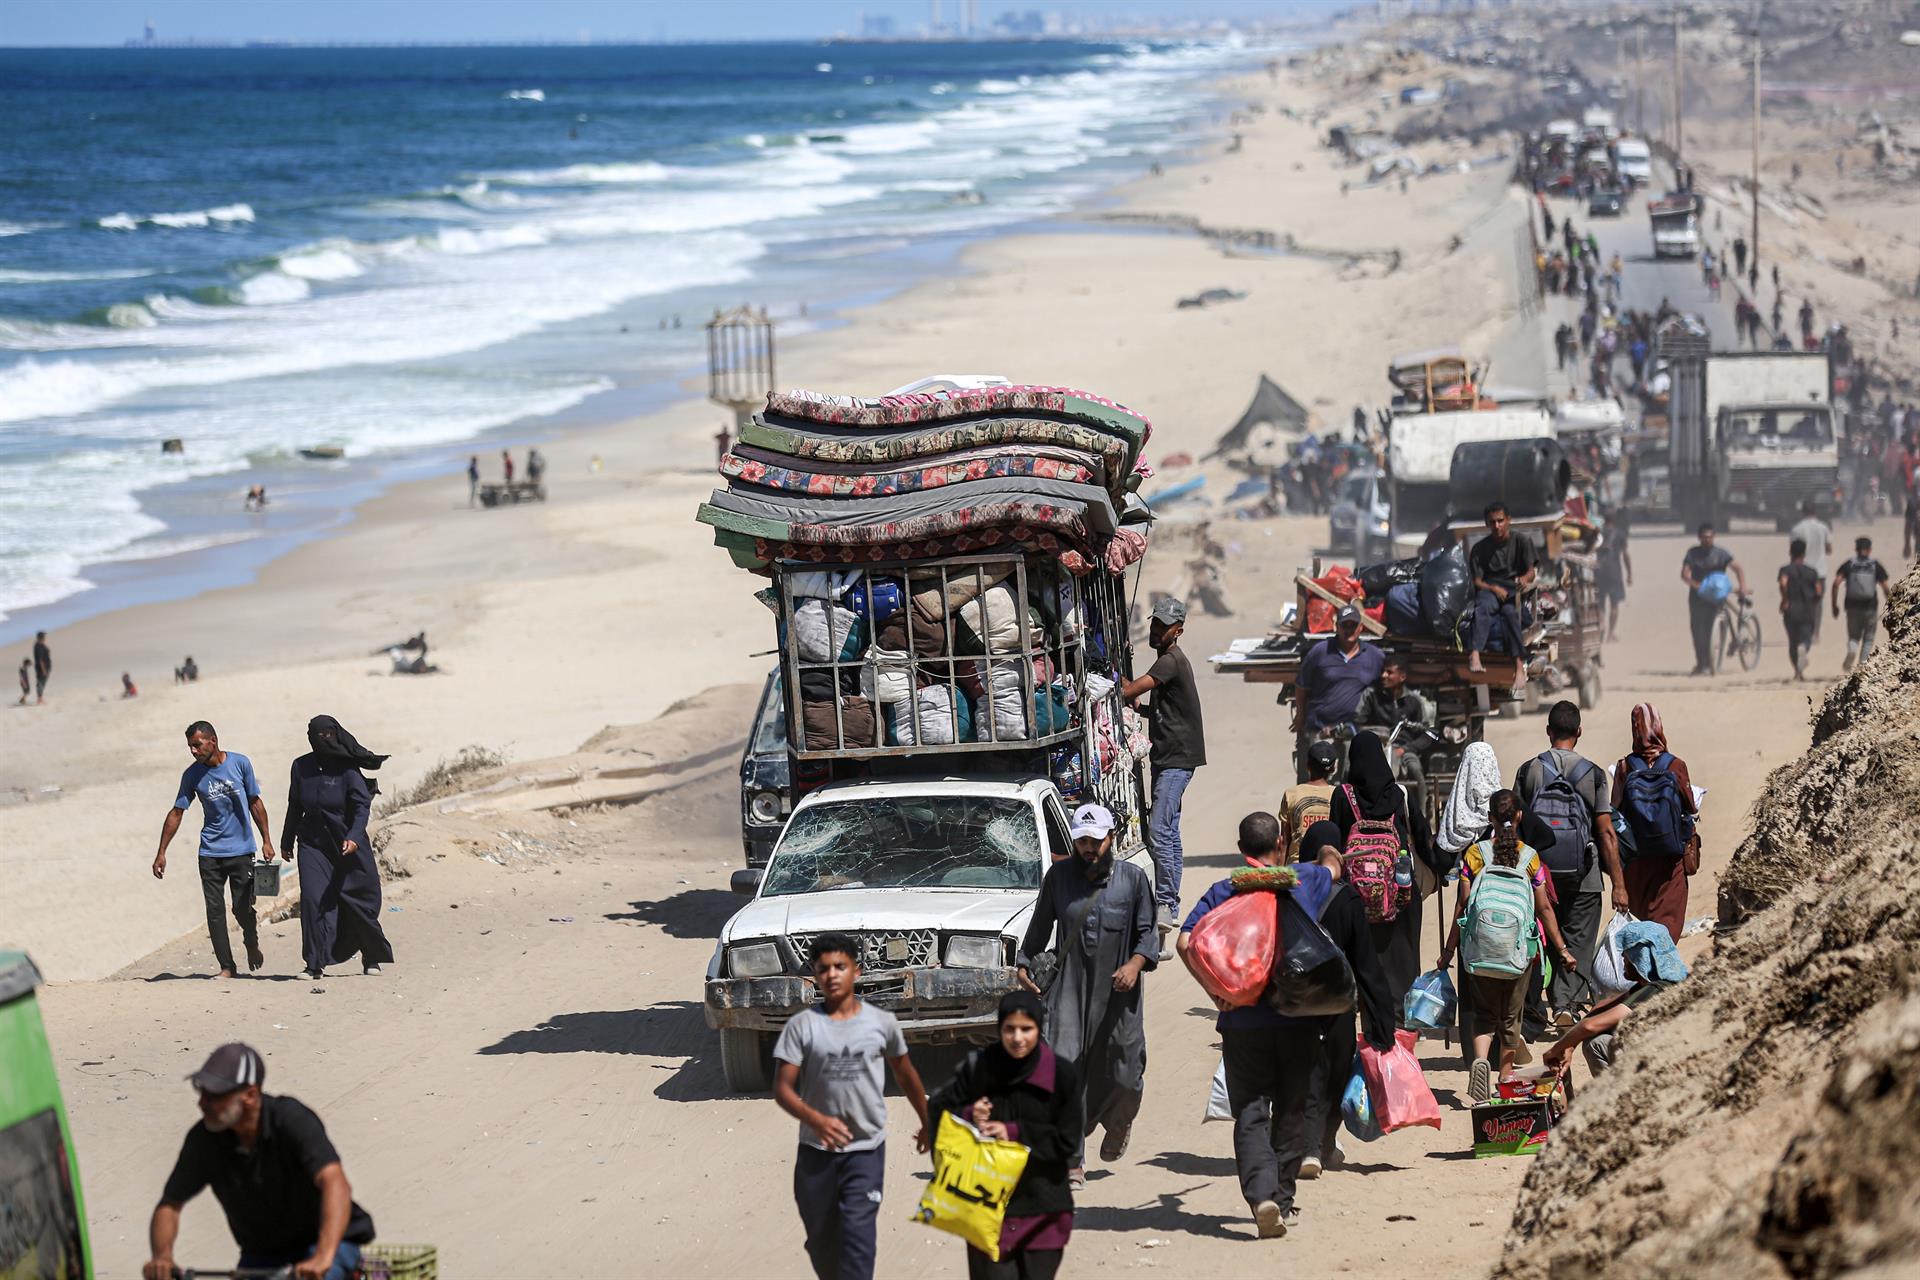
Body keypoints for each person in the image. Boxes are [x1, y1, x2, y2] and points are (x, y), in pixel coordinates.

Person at [1176, 813, 1392, 1240]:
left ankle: (1261, 1197)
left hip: (1240, 1022)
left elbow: (1185, 941)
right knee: (1293, 1106)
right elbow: (1333, 863)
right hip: (1296, 1018)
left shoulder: (1224, 890)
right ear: (1280, 842)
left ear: (1241, 847)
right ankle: (1283, 1196)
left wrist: (1216, 993)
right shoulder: (1300, 879)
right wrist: (1328, 849)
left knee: (1251, 1111)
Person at [144, 1043, 375, 1280]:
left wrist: (324, 1257)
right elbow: (170, 1205)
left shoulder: (290, 1120)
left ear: (250, 1095)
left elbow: (335, 1182)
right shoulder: (204, 1139)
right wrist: (162, 1257)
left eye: (214, 1095)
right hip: (262, 1254)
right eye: (201, 1092)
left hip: (323, 1243)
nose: (202, 1103)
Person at [773, 933, 930, 1280]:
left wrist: (927, 1120)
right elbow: (782, 1088)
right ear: (814, 975)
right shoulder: (802, 1026)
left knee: (858, 1240)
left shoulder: (881, 1023)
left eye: (840, 967)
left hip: (865, 1151)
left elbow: (905, 1074)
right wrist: (816, 1119)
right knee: (822, 1241)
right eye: (823, 968)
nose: (832, 975)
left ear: (856, 972)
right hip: (816, 1153)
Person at [1014, 803, 1155, 1186]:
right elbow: (1041, 923)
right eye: (1082, 841)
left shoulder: (1133, 880)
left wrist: (1134, 965)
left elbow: (1148, 934)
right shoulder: (1059, 877)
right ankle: (1072, 1160)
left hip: (1118, 993)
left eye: (1097, 840)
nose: (1089, 848)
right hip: (1070, 989)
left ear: (1113, 838)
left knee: (1126, 1073)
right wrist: (1025, 963)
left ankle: (1119, 1121)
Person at [926, 992, 1080, 1280]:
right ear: (999, 1029)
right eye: (1010, 1029)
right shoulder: (980, 1068)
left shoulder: (1061, 1076)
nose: (1017, 1038)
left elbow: (1067, 1141)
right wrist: (969, 1114)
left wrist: (1014, 1133)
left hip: (1043, 1210)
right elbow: (938, 1109)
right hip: (987, 1210)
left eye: (1026, 1029)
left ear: (1039, 1028)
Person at [1437, 790, 1577, 1103]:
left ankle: (1480, 1061)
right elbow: (1543, 909)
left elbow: (1462, 906)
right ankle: (1506, 1074)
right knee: (1511, 1015)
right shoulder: (1530, 858)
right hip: (1518, 952)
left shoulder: (1474, 855)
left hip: (1480, 950)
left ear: (1489, 819)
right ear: (1519, 817)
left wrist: (1448, 951)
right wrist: (1563, 949)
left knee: (1485, 1014)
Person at [1514, 701, 1626, 1020]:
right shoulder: (1592, 773)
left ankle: (1542, 1003)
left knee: (1547, 933)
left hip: (1539, 872)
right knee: (1579, 937)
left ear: (1549, 731)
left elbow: (1516, 825)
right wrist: (1618, 884)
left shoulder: (1529, 770)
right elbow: (1605, 833)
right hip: (1585, 872)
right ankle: (1569, 1005)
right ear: (1578, 732)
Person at [152, 722, 275, 978]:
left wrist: (266, 839)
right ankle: (227, 967)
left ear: (213, 741)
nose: (193, 751)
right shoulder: (192, 775)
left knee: (242, 908)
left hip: (242, 850)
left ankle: (251, 942)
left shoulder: (240, 764)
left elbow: (255, 802)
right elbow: (177, 812)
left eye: (197, 745)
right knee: (214, 911)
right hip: (210, 852)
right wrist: (162, 851)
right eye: (190, 747)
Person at [1330, 732, 1438, 1014]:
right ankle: (1405, 1014)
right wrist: (1441, 867)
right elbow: (1423, 838)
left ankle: (1369, 1012)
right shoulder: (1399, 794)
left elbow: (1334, 839)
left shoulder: (1343, 795)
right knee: (1403, 955)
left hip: (1356, 893)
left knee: (1363, 955)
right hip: (1399, 889)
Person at [281, 716, 396, 981]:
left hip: (347, 844)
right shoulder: (301, 766)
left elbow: (360, 805)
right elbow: (295, 804)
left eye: (327, 736)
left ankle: (371, 955)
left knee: (357, 899)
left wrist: (355, 836)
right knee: (312, 899)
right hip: (312, 844)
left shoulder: (347, 769)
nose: (322, 741)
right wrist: (287, 840)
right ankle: (314, 964)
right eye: (316, 736)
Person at [1119, 597, 1205, 943]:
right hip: (1171, 758)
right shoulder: (1167, 662)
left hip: (1176, 760)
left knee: (1157, 830)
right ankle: (1170, 902)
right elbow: (1158, 707)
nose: (1156, 630)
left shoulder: (1171, 661)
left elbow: (1128, 689)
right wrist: (1139, 706)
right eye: (1154, 624)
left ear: (1178, 630)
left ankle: (1167, 903)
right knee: (1169, 830)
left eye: (1163, 626)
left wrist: (1119, 683)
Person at [1541, 922, 1687, 1077]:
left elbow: (1589, 1026)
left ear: (1640, 957)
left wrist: (1554, 1051)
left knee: (1596, 1043)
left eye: (1627, 953)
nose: (1623, 957)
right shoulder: (1657, 984)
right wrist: (1569, 1046)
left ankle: (1614, 1095)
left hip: (1667, 1065)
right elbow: (1605, 1005)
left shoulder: (1658, 989)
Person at [1610, 703, 1699, 943]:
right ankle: (1661, 971)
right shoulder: (1675, 765)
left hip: (1637, 859)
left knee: (1640, 918)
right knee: (1668, 917)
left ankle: (1642, 973)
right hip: (1669, 859)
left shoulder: (1624, 767)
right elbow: (1690, 806)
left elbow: (1615, 810)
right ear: (1659, 728)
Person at [1291, 604, 1382, 783]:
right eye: (1344, 625)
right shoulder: (1320, 652)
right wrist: (1300, 716)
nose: (1349, 630)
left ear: (1361, 628)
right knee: (1319, 785)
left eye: (1353, 625)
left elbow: (1389, 682)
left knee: (1351, 786)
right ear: (1336, 627)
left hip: (1354, 734)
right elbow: (1301, 686)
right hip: (1321, 732)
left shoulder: (1374, 656)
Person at [1353, 655, 1434, 814]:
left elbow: (1428, 733)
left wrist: (1407, 748)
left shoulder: (1414, 700)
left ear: (1402, 676)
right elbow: (1358, 721)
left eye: (1389, 672)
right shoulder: (1372, 695)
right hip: (1376, 749)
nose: (1384, 675)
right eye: (1383, 671)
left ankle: (1420, 816)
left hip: (1404, 750)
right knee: (1353, 772)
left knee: (1415, 770)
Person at [1466, 502, 1536, 678]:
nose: (1497, 526)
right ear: (1486, 524)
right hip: (1490, 588)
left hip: (1512, 590)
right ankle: (1475, 654)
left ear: (1508, 520)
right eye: (1492, 522)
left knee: (1511, 614)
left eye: (1500, 521)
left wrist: (1524, 579)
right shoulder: (1479, 548)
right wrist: (1494, 588)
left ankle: (1519, 665)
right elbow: (1477, 581)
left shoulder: (1522, 541)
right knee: (1482, 607)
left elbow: (1531, 571)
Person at [1680, 523, 1746, 676]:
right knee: (1697, 630)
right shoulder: (1693, 554)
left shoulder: (1721, 554)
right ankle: (1701, 663)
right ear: (1699, 538)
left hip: (1715, 598)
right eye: (1704, 537)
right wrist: (1698, 586)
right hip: (1697, 597)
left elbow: (1738, 568)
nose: (1707, 540)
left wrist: (1742, 586)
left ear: (1714, 537)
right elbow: (1685, 574)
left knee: (1709, 630)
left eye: (1710, 537)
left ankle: (1710, 663)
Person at [1832, 535, 1891, 671]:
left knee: (1853, 637)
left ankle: (1852, 650)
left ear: (1856, 549)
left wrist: (1834, 605)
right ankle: (1861, 666)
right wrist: (1892, 604)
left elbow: (1836, 583)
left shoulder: (1849, 564)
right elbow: (1885, 587)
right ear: (1869, 550)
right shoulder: (1875, 565)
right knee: (1868, 639)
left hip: (1852, 608)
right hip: (1870, 608)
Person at [1277, 741, 1338, 861]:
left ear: (1308, 766)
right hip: (1328, 869)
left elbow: (1285, 841)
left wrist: (1281, 872)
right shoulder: (1339, 794)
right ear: (1333, 768)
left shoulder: (1292, 794)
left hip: (1297, 869)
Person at [1779, 538, 1824, 680]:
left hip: (1791, 610)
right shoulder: (1811, 571)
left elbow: (1783, 583)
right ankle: (1804, 648)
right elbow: (1818, 591)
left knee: (1792, 641)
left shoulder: (1785, 570)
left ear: (1790, 553)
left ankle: (1798, 672)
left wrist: (1785, 600)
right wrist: (1815, 602)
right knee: (1805, 639)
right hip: (1807, 610)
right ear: (1804, 554)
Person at [1789, 500, 1832, 639]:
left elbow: (1793, 553)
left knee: (1801, 601)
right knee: (1817, 604)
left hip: (1802, 572)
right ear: (1815, 511)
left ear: (1802, 512)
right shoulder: (1823, 527)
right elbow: (1829, 550)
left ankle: (1802, 632)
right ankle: (1816, 633)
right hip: (1819, 572)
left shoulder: (1797, 529)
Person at [1595, 508, 1633, 641]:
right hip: (1615, 573)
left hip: (1599, 572)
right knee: (1614, 605)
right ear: (1614, 518)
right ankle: (1610, 633)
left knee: (1600, 605)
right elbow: (1626, 555)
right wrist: (1629, 574)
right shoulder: (1620, 533)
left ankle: (1601, 629)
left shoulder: (1597, 532)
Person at [32, 630, 50, 704]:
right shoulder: (38, 647)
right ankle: (39, 699)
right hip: (41, 669)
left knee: (43, 682)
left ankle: (40, 698)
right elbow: (40, 660)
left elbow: (48, 652)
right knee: (40, 682)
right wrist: (44, 670)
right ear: (40, 637)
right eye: (43, 636)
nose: (44, 638)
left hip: (46, 667)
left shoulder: (41, 645)